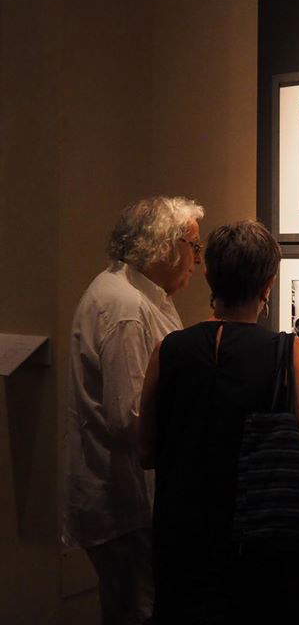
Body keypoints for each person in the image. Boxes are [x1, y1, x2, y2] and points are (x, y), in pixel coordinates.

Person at [138, 220, 299, 623]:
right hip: (261, 541)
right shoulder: (287, 352)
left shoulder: (169, 349)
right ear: (269, 283)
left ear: (208, 274)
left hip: (185, 538)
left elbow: (145, 452)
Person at [62, 195, 204, 625]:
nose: (198, 259)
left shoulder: (141, 296)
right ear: (166, 246)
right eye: (194, 247)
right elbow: (130, 418)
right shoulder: (126, 307)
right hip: (125, 503)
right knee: (138, 612)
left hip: (132, 499)